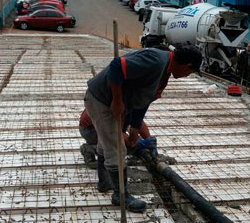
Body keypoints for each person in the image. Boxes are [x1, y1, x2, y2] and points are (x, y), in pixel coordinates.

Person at [84, 45, 202, 213]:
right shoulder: (156, 61)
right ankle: (120, 195)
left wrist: (135, 126)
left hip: (108, 100)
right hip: (101, 100)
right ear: (187, 66)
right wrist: (117, 100)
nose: (186, 76)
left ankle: (105, 182)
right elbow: (117, 65)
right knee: (116, 148)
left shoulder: (164, 72)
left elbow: (144, 98)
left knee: (107, 143)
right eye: (189, 73)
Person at [79, 109, 153, 170]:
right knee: (124, 147)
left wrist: (149, 139)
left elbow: (138, 121)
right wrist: (133, 142)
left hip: (106, 124)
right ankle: (89, 149)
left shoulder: (131, 103)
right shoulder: (114, 107)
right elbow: (115, 132)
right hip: (89, 130)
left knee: (132, 141)